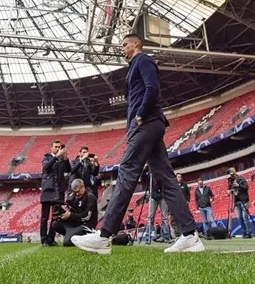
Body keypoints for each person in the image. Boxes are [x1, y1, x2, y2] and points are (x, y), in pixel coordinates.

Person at [73, 33, 202, 254]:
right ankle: (190, 235)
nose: (122, 48)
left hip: (146, 123)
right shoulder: (134, 66)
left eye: (124, 44)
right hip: (148, 125)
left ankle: (105, 236)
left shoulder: (143, 60)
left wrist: (140, 116)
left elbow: (152, 88)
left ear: (136, 44)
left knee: (126, 171)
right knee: (166, 178)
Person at [39, 139, 71, 246]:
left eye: (59, 147)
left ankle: (51, 239)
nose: (58, 149)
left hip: (58, 191)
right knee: (45, 217)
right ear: (51, 148)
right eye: (56, 147)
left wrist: (66, 159)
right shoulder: (46, 157)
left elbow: (69, 170)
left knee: (55, 217)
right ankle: (44, 239)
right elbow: (46, 167)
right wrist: (56, 156)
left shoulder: (62, 159)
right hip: (48, 190)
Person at [51, 179, 99, 246]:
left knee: (67, 243)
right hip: (75, 224)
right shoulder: (73, 197)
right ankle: (72, 234)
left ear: (83, 187)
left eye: (78, 191)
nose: (77, 194)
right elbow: (71, 210)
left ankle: (83, 237)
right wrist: (62, 215)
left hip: (85, 225)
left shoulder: (90, 197)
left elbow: (86, 217)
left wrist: (71, 215)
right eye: (75, 192)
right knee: (55, 224)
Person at [227, 167, 253, 238]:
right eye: (230, 173)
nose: (231, 175)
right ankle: (244, 232)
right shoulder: (230, 180)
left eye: (232, 172)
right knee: (239, 218)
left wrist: (238, 185)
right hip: (236, 201)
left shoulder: (241, 178)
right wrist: (229, 191)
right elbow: (229, 189)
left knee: (245, 217)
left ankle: (248, 232)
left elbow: (246, 187)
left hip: (244, 200)